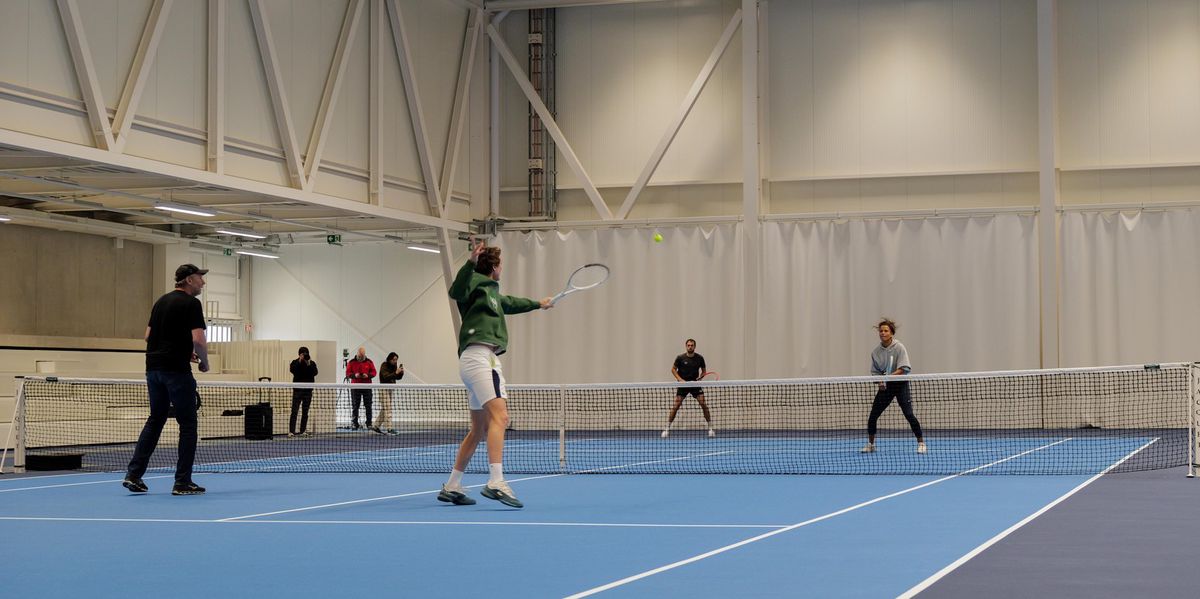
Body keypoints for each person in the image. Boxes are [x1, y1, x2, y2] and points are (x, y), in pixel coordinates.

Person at [437, 240, 552, 509]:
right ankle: (496, 481)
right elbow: (456, 291)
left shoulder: (490, 292)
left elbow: (509, 303)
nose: (503, 269)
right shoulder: (475, 282)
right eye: (501, 265)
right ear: (495, 267)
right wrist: (470, 262)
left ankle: (452, 485)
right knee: (501, 416)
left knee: (479, 429)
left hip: (477, 360)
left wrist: (538, 303)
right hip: (480, 358)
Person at [122, 264, 210, 496]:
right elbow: (199, 340)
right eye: (200, 278)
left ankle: (134, 475)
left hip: (153, 370)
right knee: (188, 425)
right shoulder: (192, 304)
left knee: (156, 419)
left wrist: (179, 349)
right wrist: (204, 361)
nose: (203, 282)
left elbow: (148, 336)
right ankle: (182, 482)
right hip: (176, 372)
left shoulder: (160, 301)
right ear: (190, 280)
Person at [861, 318, 926, 454]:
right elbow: (874, 373)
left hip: (900, 385)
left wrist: (888, 377)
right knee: (873, 415)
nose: (883, 333)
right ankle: (871, 444)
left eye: (886, 331)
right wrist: (880, 382)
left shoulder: (899, 348)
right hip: (886, 388)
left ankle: (921, 443)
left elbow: (905, 368)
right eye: (881, 331)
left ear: (891, 333)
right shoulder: (876, 352)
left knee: (908, 414)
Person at [662, 338, 715, 438]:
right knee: (676, 405)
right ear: (686, 346)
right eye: (688, 345)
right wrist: (680, 379)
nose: (690, 347)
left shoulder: (700, 358)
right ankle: (667, 429)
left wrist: (701, 377)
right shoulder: (680, 358)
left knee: (703, 403)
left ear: (695, 346)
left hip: (694, 384)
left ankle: (710, 429)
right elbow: (673, 369)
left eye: (692, 345)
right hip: (683, 385)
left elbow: (704, 371)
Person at [288, 346, 318, 437]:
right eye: (303, 354)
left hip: (308, 391)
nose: (305, 355)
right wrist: (300, 361)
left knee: (305, 412)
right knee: (294, 411)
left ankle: (302, 431)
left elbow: (315, 372)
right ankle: (291, 431)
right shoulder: (294, 362)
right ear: (299, 354)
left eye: (306, 354)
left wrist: (308, 363)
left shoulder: (311, 363)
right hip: (297, 390)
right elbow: (293, 370)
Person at [345, 347, 376, 430]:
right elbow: (348, 373)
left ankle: (369, 423)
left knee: (368, 406)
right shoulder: (351, 362)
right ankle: (355, 423)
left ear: (364, 355)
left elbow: (374, 372)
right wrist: (355, 375)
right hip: (355, 387)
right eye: (359, 357)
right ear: (357, 354)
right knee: (355, 406)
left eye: (362, 357)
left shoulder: (369, 362)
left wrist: (368, 375)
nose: (360, 359)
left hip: (367, 387)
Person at [374, 352, 404, 434]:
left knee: (385, 409)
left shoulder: (394, 366)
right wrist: (396, 373)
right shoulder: (384, 365)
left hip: (391, 389)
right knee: (388, 408)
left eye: (396, 360)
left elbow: (396, 377)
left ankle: (376, 426)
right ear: (390, 359)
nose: (395, 361)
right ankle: (389, 429)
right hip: (383, 389)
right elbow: (386, 376)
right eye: (394, 359)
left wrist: (401, 373)